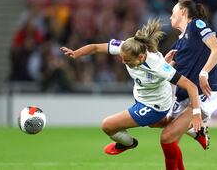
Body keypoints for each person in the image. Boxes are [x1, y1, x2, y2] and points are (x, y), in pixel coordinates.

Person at [60, 19, 203, 170]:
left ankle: (128, 143)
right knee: (156, 124)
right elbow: (95, 47)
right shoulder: (126, 47)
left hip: (155, 105)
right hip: (143, 97)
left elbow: (190, 85)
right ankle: (191, 129)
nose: (123, 62)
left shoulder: (156, 66)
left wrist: (196, 114)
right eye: (122, 58)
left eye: (127, 61)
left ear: (141, 57)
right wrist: (76, 53)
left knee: (107, 125)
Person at [163, 0, 217, 152]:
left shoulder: (196, 25)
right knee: (158, 123)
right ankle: (196, 132)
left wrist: (204, 73)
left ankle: (196, 129)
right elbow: (166, 72)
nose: (170, 17)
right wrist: (162, 63)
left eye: (173, 12)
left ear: (183, 11)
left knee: (167, 136)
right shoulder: (177, 44)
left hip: (204, 91)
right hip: (184, 95)